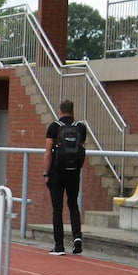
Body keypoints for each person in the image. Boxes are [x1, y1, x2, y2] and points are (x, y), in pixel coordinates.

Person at [43, 99, 87, 255]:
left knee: (57, 209)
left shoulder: (54, 127)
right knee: (73, 205)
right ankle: (77, 238)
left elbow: (48, 152)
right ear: (72, 111)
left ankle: (59, 245)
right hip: (74, 172)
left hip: (57, 172)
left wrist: (46, 173)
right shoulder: (81, 128)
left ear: (60, 111)